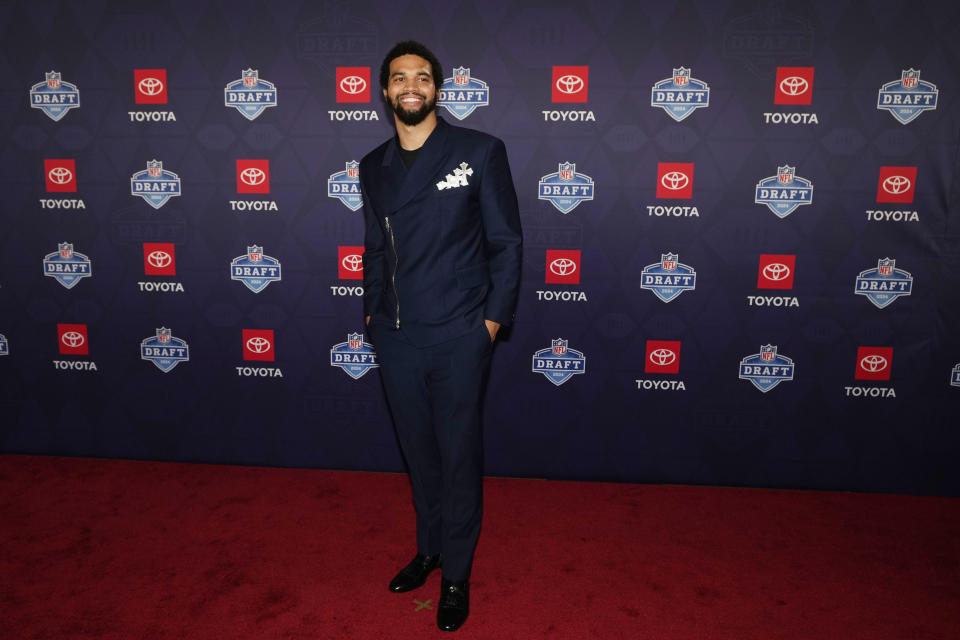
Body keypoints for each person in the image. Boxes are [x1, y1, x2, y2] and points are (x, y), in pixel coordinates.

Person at [359, 40, 522, 632]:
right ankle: (429, 549)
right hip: (397, 336)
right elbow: (375, 249)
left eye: (421, 78)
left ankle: (456, 572)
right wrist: (374, 317)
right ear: (384, 91)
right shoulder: (371, 166)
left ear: (437, 89)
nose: (410, 87)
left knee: (458, 457)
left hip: (459, 331)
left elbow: (506, 243)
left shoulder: (478, 151)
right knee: (418, 454)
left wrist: (490, 324)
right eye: (399, 78)